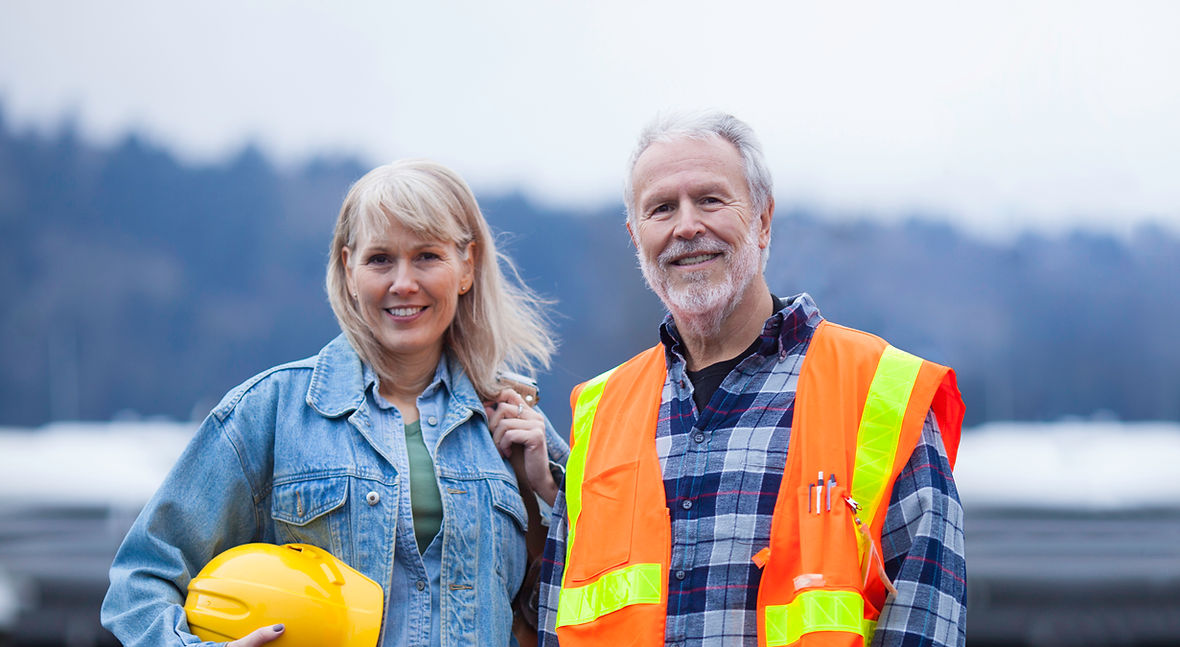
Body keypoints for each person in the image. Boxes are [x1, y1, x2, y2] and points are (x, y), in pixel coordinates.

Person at [537, 111, 966, 647]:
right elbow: (557, 622)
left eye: (711, 200)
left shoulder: (878, 393)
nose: (686, 226)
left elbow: (927, 622)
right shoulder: (599, 413)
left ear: (763, 221)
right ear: (636, 236)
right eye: (661, 208)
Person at [101, 159, 568, 647]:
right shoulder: (271, 412)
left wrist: (550, 490)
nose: (403, 282)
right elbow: (141, 577)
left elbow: (576, 607)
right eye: (380, 259)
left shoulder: (516, 422)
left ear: (466, 266)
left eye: (427, 256)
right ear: (348, 269)